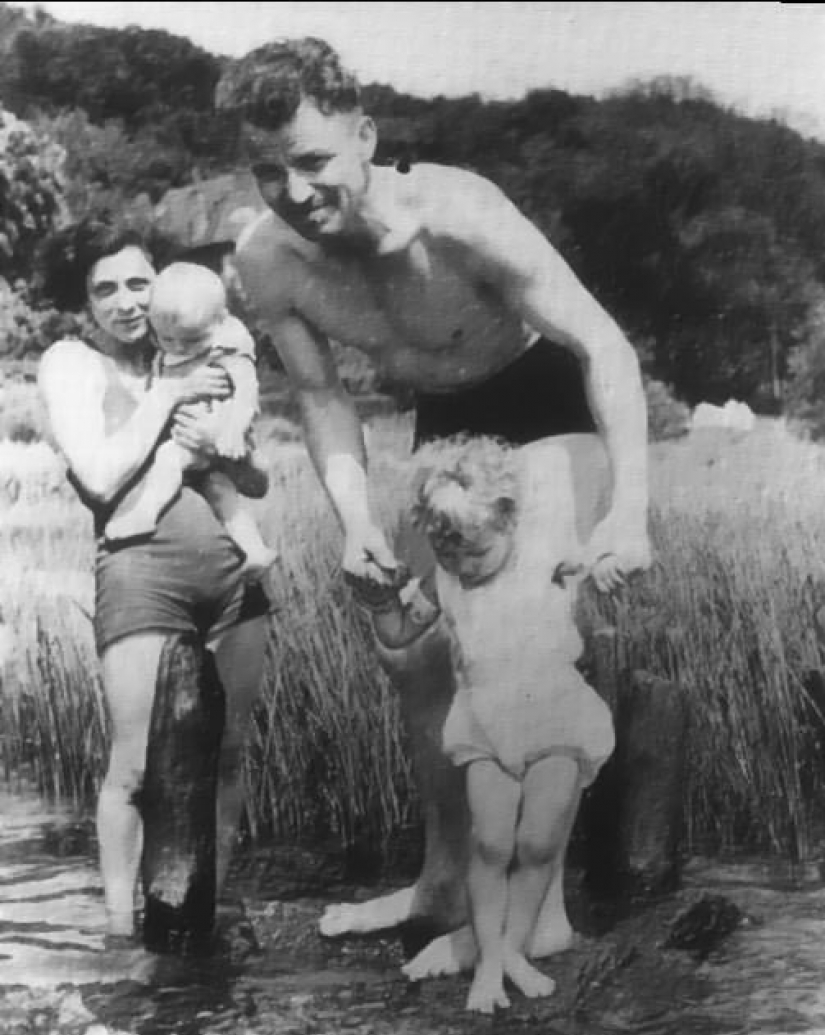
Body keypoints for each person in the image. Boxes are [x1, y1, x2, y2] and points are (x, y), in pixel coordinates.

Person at [216, 38, 650, 967]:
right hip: (443, 422)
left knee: (524, 643)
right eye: (266, 171)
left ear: (363, 134)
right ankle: (443, 883)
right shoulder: (267, 262)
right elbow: (324, 399)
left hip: (540, 398)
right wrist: (357, 521)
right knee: (415, 657)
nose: (292, 192)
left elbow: (604, 345)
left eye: (310, 160)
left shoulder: (459, 212)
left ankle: (541, 913)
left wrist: (629, 514)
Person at [38, 217, 271, 940]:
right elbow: (102, 474)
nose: (125, 301)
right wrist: (170, 397)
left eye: (137, 281)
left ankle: (207, 909)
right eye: (103, 289)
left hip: (234, 575)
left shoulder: (205, 347)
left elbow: (253, 477)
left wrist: (222, 446)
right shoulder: (71, 363)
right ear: (83, 304)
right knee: (134, 764)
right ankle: (119, 930)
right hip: (143, 575)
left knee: (228, 752)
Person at [372, 434, 614, 1012]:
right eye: (447, 552)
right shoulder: (445, 579)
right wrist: (378, 602)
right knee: (489, 842)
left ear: (509, 522)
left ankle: (511, 951)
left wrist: (606, 561)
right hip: (484, 720)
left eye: (475, 552)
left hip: (556, 715)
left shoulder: (547, 552)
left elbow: (597, 556)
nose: (462, 565)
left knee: (537, 843)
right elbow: (400, 633)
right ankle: (488, 964)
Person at [105, 261, 278, 581]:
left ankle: (144, 513)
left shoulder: (227, 346)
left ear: (221, 320)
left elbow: (247, 391)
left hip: (220, 432)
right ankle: (254, 550)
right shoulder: (167, 340)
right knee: (220, 489)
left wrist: (233, 430)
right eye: (169, 340)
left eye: (191, 340)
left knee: (169, 459)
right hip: (193, 435)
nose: (179, 348)